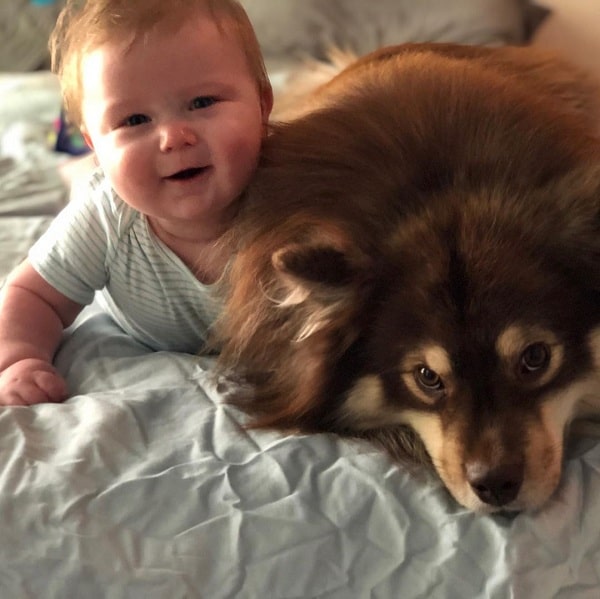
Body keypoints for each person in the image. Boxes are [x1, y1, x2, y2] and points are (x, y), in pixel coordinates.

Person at [0, 0, 273, 406]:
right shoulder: (106, 218)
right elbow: (33, 294)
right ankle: (79, 170)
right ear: (95, 142)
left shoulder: (292, 191)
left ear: (263, 104)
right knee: (89, 189)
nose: (173, 137)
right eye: (134, 121)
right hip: (107, 196)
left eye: (202, 103)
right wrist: (18, 359)